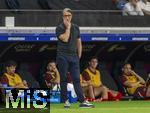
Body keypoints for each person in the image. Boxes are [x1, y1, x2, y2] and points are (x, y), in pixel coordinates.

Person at [55, 8, 94, 108]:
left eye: (69, 15)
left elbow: (79, 41)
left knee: (76, 79)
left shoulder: (76, 27)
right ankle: (66, 101)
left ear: (71, 16)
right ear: (62, 17)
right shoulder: (59, 28)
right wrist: (67, 28)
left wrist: (79, 54)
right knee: (63, 78)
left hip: (73, 56)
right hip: (62, 56)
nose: (67, 17)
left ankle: (82, 101)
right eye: (65, 16)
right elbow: (65, 38)